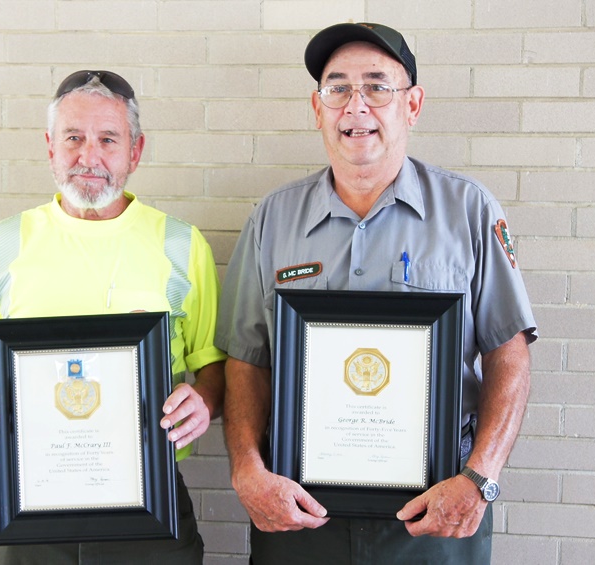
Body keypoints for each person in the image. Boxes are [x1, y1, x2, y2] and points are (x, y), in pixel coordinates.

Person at [216, 22, 537, 564]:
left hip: (436, 510)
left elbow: (510, 353)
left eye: (377, 86)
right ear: (317, 108)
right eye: (337, 87)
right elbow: (247, 361)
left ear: (412, 105)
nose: (355, 106)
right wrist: (247, 470)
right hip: (300, 514)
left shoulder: (470, 212)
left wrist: (479, 479)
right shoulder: (273, 219)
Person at [0, 70, 226, 564]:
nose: (88, 156)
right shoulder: (4, 241)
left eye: (107, 139)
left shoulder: (182, 245)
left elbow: (214, 369)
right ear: (50, 147)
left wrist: (203, 401)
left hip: (148, 500)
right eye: (73, 138)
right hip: (27, 501)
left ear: (135, 152)